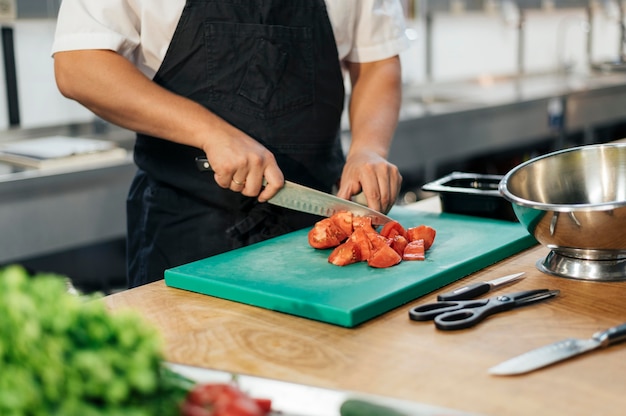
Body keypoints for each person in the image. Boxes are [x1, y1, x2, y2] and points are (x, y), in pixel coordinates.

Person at [52, 0, 409, 288]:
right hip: (186, 232)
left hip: (318, 233)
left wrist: (368, 148)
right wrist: (210, 132)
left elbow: (378, 62)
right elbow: (79, 64)